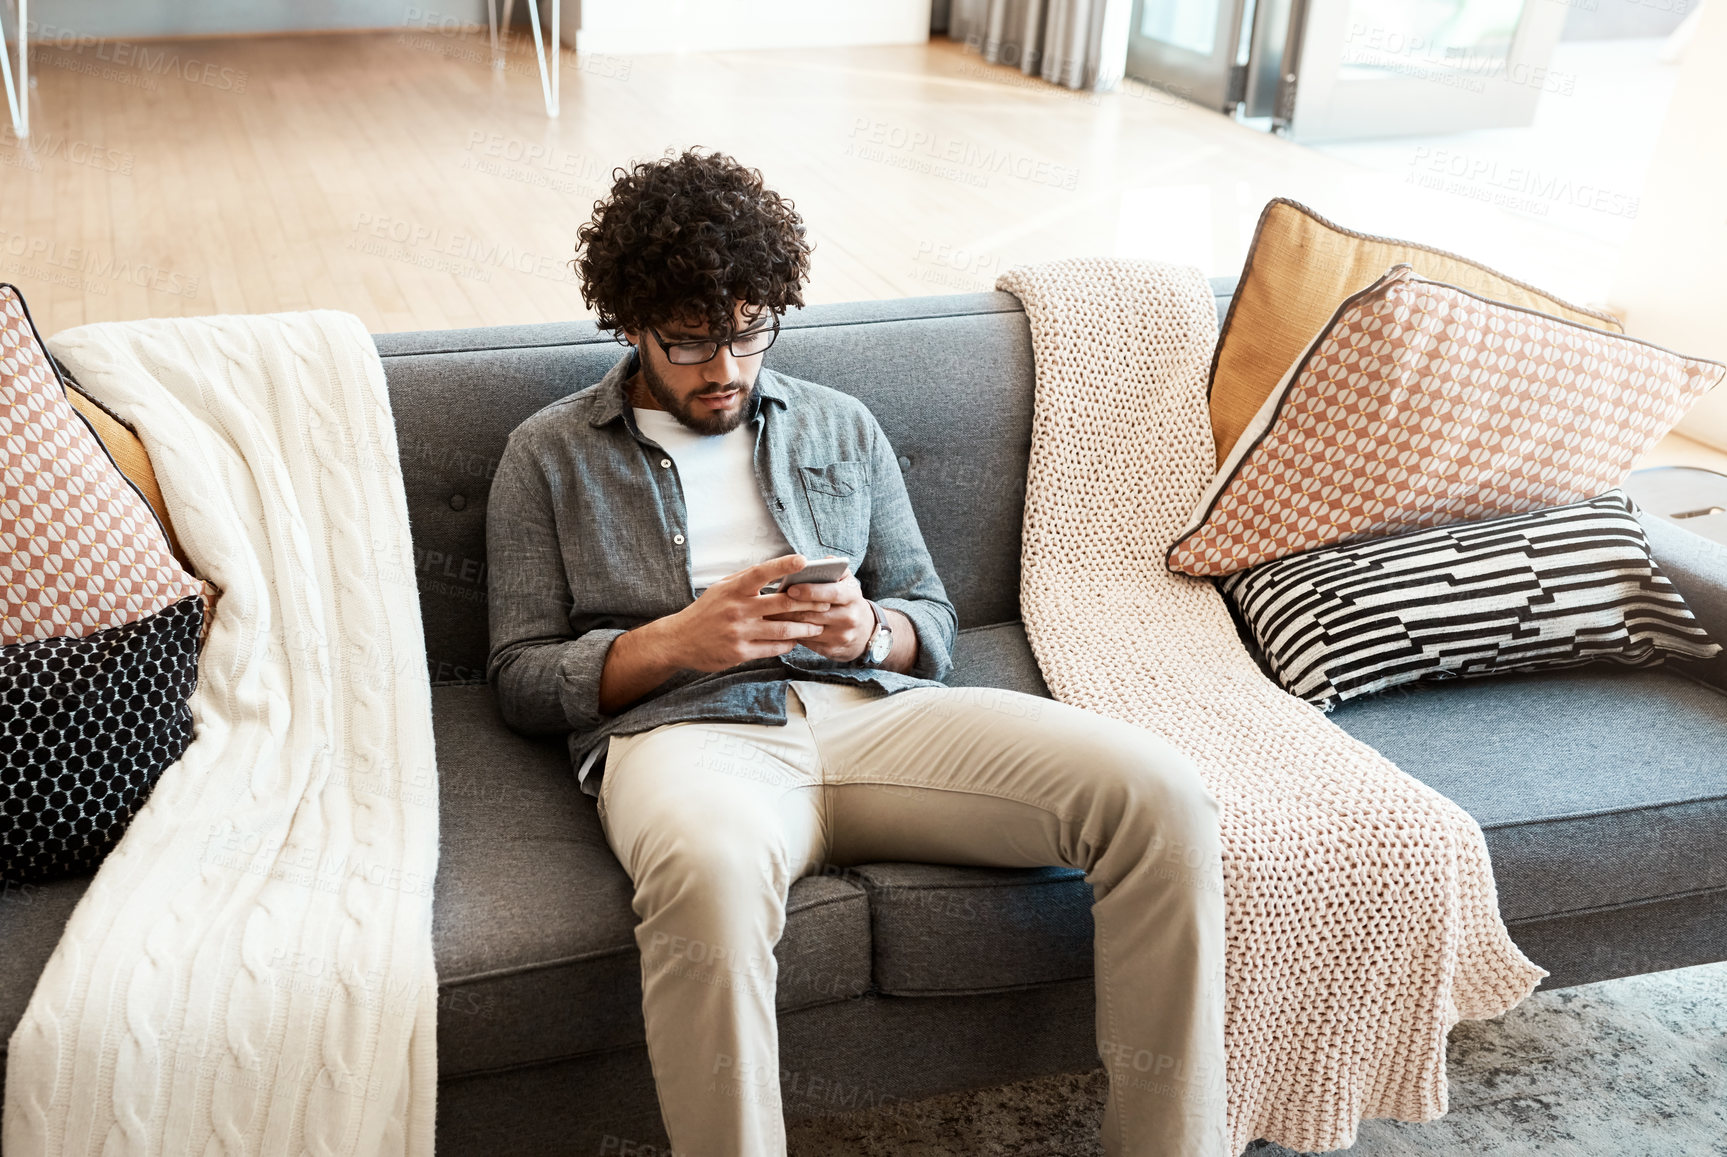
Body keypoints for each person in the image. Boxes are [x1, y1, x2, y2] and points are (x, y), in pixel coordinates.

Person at [485, 148, 1227, 1157]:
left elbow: (931, 609)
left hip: (873, 711)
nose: (725, 369)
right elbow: (521, 674)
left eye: (748, 333)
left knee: (1161, 793)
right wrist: (672, 642)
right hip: (687, 738)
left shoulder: (839, 423)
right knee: (705, 872)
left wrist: (875, 629)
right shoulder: (548, 451)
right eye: (691, 342)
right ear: (629, 322)